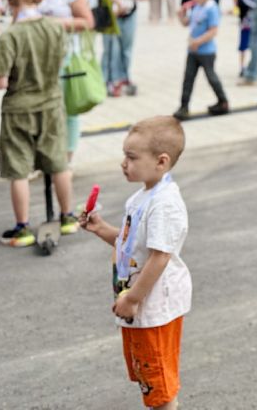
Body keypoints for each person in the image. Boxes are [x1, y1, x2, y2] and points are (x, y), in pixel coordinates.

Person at [81, 116, 191, 410]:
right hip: (139, 304)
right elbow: (132, 244)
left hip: (153, 307)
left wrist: (132, 299)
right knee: (149, 377)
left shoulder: (164, 204)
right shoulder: (142, 197)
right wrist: (101, 229)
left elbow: (159, 257)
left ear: (161, 161)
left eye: (132, 157)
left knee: (158, 383)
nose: (124, 163)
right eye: (124, 156)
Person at [0, 0, 75, 247]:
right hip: (51, 102)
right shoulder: (55, 28)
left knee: (18, 169)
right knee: (59, 162)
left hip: (18, 108)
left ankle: (22, 228)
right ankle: (68, 217)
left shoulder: (10, 36)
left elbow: (1, 81)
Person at [38, 0, 96, 162]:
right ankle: (46, 156)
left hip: (66, 58)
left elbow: (88, 22)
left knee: (67, 109)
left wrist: (53, 23)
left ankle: (66, 158)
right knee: (43, 109)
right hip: (38, 58)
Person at [174, 0, 228, 120]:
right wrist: (181, 15)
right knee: (188, 79)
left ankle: (223, 102)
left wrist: (198, 42)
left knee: (211, 77)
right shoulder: (197, 6)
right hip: (192, 51)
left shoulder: (212, 9)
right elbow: (187, 23)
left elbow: (213, 31)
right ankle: (184, 106)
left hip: (206, 52)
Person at [105, 0, 146, 98]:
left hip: (130, 17)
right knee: (112, 51)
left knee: (126, 49)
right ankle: (110, 79)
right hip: (113, 19)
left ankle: (124, 77)